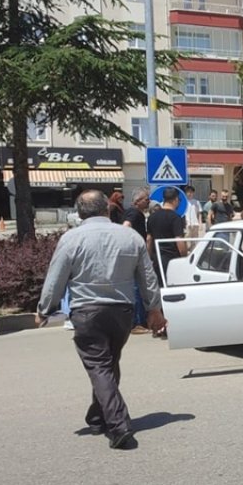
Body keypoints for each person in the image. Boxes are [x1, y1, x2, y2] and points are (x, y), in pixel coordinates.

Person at [36, 190, 166, 451]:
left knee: (100, 367)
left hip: (87, 312)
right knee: (108, 364)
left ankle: (119, 426)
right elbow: (147, 276)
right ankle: (97, 416)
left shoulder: (71, 239)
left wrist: (44, 308)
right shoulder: (130, 237)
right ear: (107, 209)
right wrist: (154, 309)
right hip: (122, 313)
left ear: (80, 213)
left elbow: (56, 277)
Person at [146, 186, 187, 290]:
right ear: (176, 200)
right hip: (172, 260)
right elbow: (179, 241)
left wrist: (149, 258)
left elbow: (149, 240)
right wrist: (184, 258)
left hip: (157, 259)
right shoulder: (175, 218)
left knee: (159, 289)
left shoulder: (151, 217)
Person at [122, 187, 150, 334]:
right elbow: (126, 227)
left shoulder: (129, 211)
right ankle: (137, 323)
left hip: (131, 255)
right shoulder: (134, 213)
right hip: (134, 255)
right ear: (138, 201)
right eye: (146, 199)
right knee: (137, 288)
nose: (149, 202)